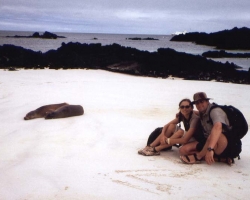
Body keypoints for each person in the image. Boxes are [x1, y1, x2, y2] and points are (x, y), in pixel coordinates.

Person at [180, 92, 232, 165]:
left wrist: (210, 149)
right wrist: (183, 113)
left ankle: (199, 156)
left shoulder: (215, 111)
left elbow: (218, 127)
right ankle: (219, 159)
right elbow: (197, 112)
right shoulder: (203, 112)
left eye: (202, 102)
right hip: (208, 141)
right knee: (183, 150)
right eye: (197, 103)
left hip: (224, 144)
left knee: (212, 134)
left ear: (207, 101)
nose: (199, 105)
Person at [138, 98, 203, 156]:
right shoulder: (182, 115)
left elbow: (185, 140)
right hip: (188, 135)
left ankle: (155, 149)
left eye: (187, 107)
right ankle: (149, 147)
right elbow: (167, 125)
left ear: (191, 108)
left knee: (180, 132)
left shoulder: (195, 118)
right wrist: (163, 135)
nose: (184, 109)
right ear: (179, 108)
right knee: (171, 126)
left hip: (195, 139)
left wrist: (168, 140)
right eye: (182, 107)